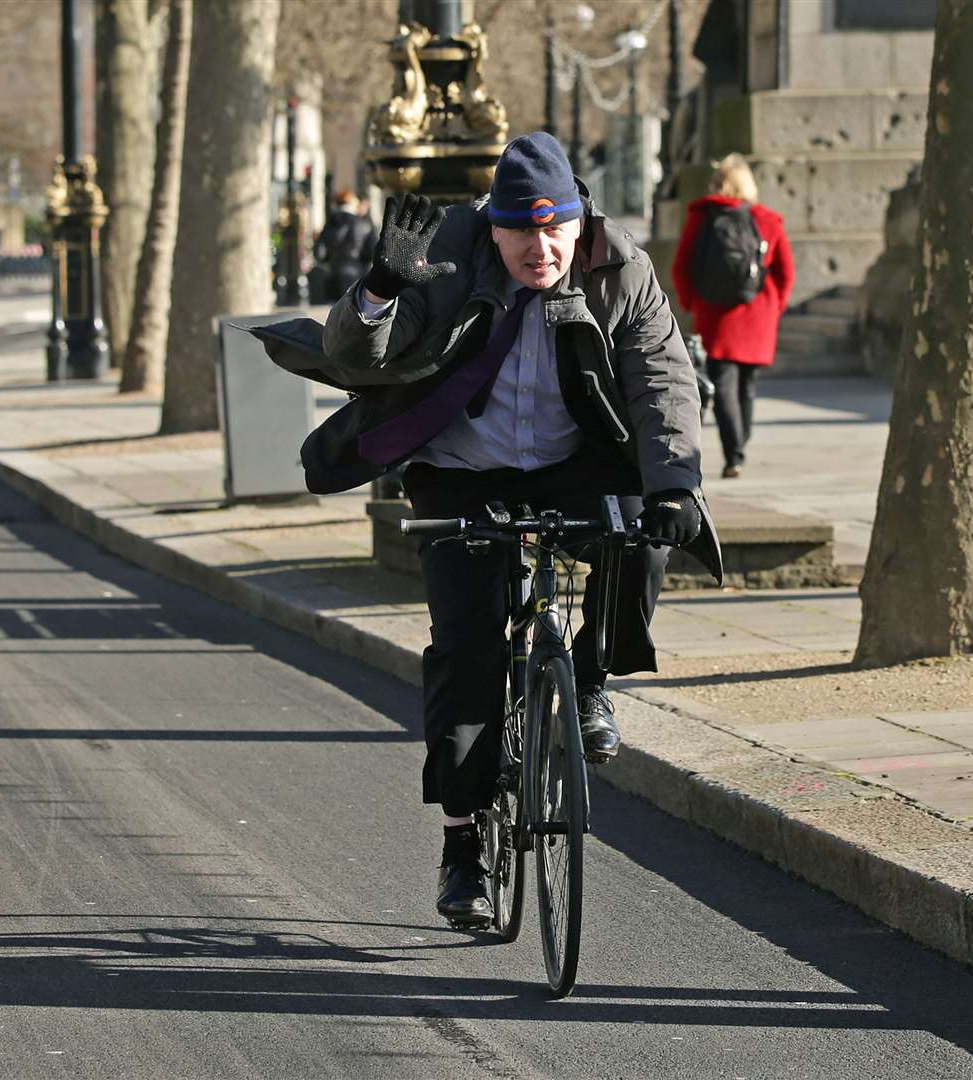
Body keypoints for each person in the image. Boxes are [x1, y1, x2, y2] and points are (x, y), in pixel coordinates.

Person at [257, 131, 721, 929]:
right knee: (467, 654)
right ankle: (463, 842)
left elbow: (660, 381)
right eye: (520, 233)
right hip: (459, 470)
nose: (540, 250)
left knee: (642, 538)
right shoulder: (444, 254)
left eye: (555, 231)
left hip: (575, 460)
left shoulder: (620, 267)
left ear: (579, 222)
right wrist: (375, 291)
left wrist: (673, 484)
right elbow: (356, 357)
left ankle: (586, 682)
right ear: (492, 226)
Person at [671, 153, 794, 479]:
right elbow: (785, 271)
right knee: (747, 387)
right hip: (758, 312)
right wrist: (775, 306)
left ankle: (734, 453)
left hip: (715, 314)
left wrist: (690, 303)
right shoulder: (768, 220)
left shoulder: (703, 217)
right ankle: (740, 446)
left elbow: (682, 266)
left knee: (722, 384)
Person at [314, 190, 376, 303]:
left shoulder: (329, 224)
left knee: (333, 315)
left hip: (333, 276)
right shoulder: (364, 224)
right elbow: (371, 253)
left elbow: (319, 253)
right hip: (357, 277)